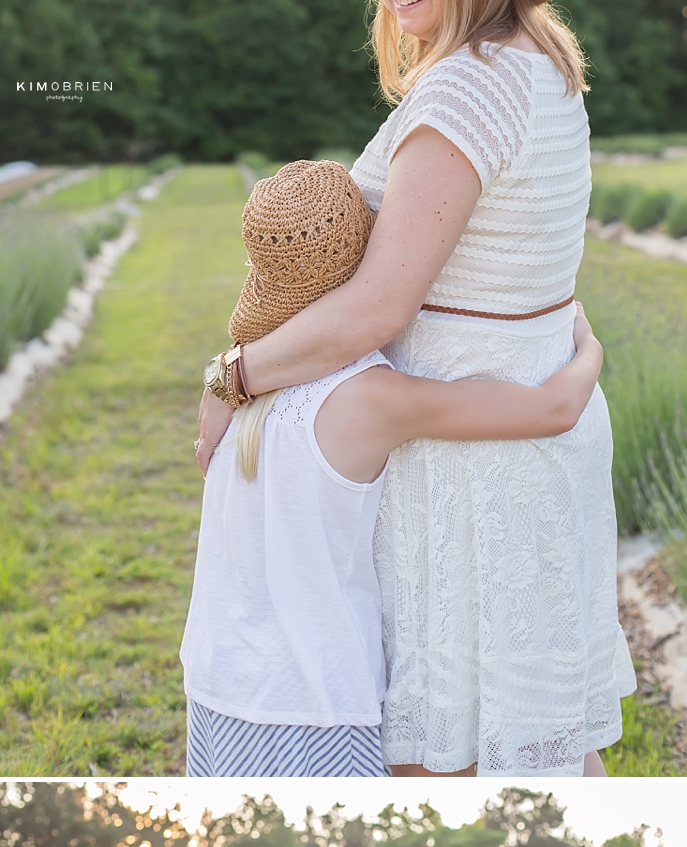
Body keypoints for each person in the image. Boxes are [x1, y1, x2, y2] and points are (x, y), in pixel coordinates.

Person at [196, 0, 634, 777]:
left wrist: (233, 377)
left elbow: (376, 306)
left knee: (444, 756)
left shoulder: (467, 87)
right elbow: (515, 265)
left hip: (470, 460)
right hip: (527, 418)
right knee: (542, 734)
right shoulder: (538, 63)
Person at [182, 159, 605, 778]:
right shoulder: (366, 400)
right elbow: (553, 407)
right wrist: (587, 342)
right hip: (314, 705)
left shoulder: (239, 393)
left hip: (219, 685)